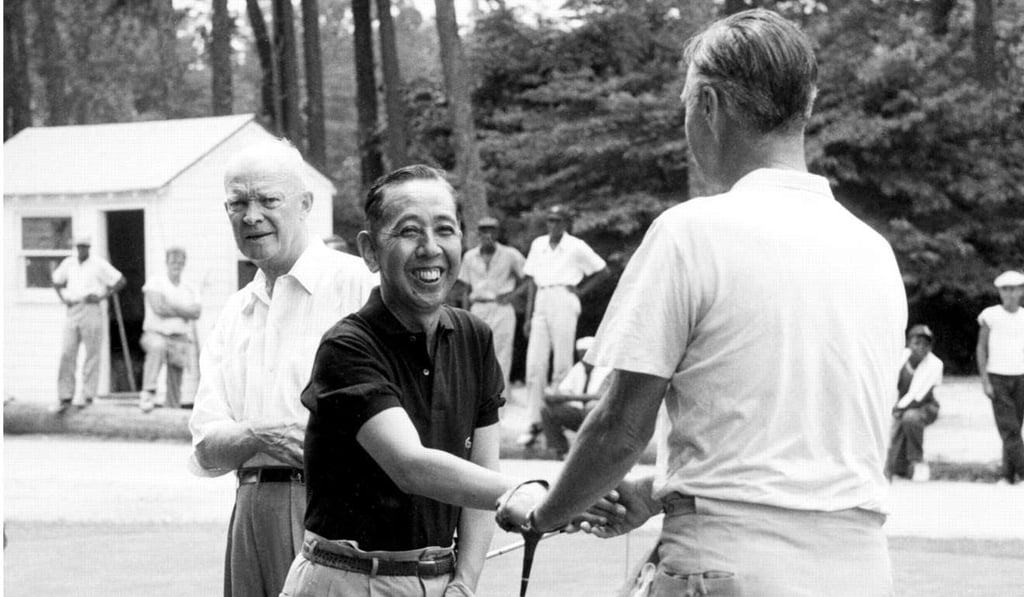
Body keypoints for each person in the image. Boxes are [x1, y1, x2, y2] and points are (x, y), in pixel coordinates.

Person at [497, 10, 907, 596]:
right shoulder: (875, 252)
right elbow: (807, 447)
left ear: (709, 104)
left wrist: (546, 513)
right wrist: (665, 493)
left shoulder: (690, 233)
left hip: (728, 565)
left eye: (687, 103)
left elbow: (619, 427)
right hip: (861, 567)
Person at [281, 165, 603, 597]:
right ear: (371, 251)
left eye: (445, 230)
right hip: (346, 580)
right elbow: (411, 466)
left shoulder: (474, 337)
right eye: (409, 231)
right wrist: (547, 495)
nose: (430, 248)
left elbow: (482, 473)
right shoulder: (347, 347)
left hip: (441, 581)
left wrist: (464, 584)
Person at [188, 139, 378, 597]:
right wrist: (260, 432)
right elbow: (207, 447)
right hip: (249, 506)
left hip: (333, 509)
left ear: (305, 204)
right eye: (237, 203)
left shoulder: (360, 288)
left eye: (268, 200)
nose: (251, 215)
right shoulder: (236, 312)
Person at [518, 204, 609, 448]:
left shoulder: (576, 246)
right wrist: (528, 316)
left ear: (566, 223)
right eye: (550, 220)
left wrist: (579, 291)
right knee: (535, 364)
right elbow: (532, 283)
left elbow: (602, 271)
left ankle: (559, 417)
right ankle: (533, 420)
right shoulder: (539, 245)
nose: (553, 225)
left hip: (564, 297)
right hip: (542, 300)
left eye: (558, 220)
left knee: (561, 363)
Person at [50, 235, 127, 413]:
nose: (82, 250)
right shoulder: (68, 263)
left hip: (91, 308)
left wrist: (102, 296)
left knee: (92, 353)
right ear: (76, 247)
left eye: (85, 246)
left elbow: (120, 280)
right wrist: (62, 298)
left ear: (89, 247)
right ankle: (65, 396)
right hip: (73, 308)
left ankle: (88, 395)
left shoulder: (98, 264)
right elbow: (56, 280)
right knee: (67, 352)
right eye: (79, 246)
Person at [457, 215, 527, 402]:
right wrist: (464, 315)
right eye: (484, 230)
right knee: (476, 354)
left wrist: (512, 295)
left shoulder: (510, 254)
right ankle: (478, 400)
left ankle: (500, 402)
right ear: (478, 233)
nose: (487, 234)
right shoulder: (469, 256)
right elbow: (465, 289)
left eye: (491, 230)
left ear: (497, 232)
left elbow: (529, 278)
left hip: (501, 308)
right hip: (478, 307)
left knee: (502, 354)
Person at [139, 246, 202, 413]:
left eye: (180, 261)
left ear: (184, 264)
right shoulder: (155, 282)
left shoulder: (189, 287)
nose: (177, 264)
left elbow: (196, 312)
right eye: (173, 261)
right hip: (155, 334)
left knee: (176, 375)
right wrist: (183, 311)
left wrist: (170, 305)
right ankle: (148, 393)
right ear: (166, 262)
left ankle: (172, 408)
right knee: (157, 347)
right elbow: (158, 308)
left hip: (179, 336)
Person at [976, 269, 1024, 485]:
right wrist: (985, 380)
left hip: (1021, 377)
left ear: (1021, 291)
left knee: (1014, 427)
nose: (1010, 294)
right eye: (1005, 290)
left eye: (1014, 289)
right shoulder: (991, 315)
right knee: (1009, 428)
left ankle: (1008, 475)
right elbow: (981, 348)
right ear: (999, 292)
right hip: (998, 377)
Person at [885, 325, 943, 482]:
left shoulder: (935, 364)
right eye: (917, 343)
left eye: (926, 344)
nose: (921, 348)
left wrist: (898, 409)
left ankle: (918, 462)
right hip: (901, 405)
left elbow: (919, 395)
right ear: (909, 343)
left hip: (924, 406)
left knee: (909, 418)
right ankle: (896, 467)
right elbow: (890, 385)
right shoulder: (900, 358)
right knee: (893, 428)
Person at [540, 336, 612, 460]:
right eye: (580, 355)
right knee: (547, 410)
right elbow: (562, 392)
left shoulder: (606, 369)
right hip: (579, 413)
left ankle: (589, 454)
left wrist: (570, 397)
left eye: (585, 354)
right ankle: (560, 450)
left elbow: (601, 396)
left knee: (591, 408)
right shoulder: (578, 368)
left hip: (599, 416)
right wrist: (556, 397)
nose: (583, 359)